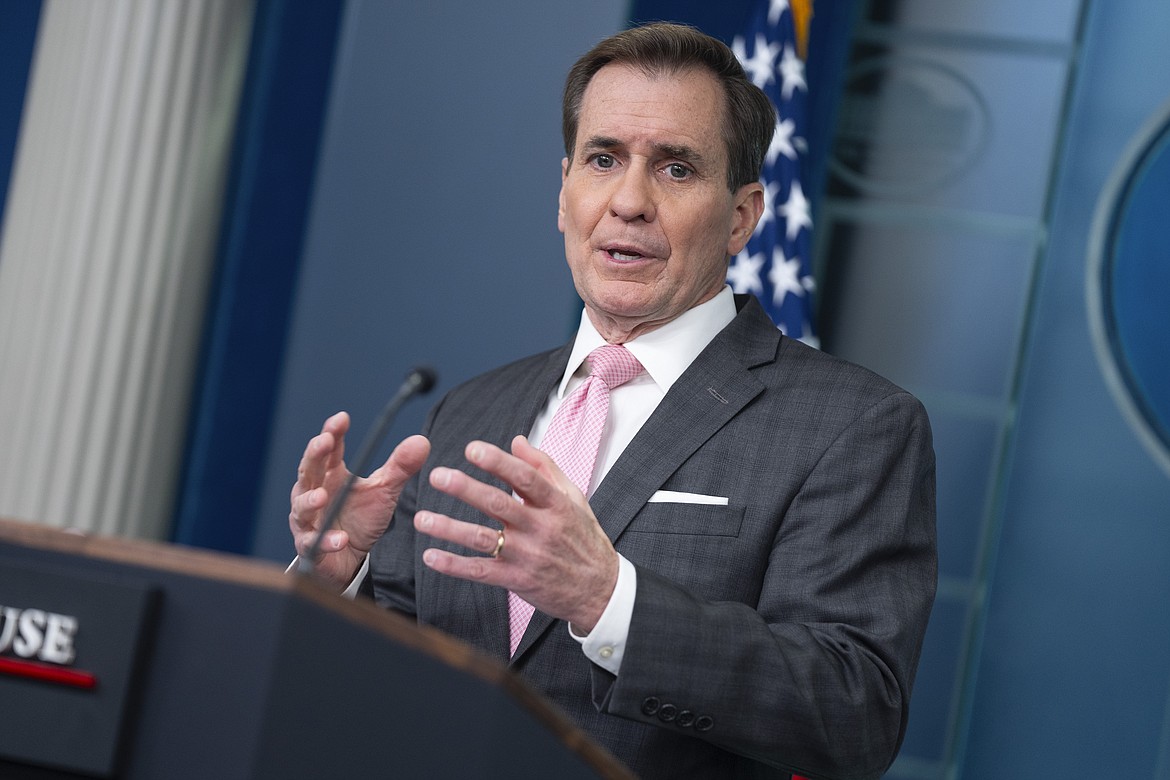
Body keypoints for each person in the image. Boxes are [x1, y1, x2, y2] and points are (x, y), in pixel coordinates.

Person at [289, 22, 936, 780]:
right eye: (604, 160)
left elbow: (854, 712)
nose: (628, 201)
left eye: (676, 170)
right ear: (565, 193)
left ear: (741, 217)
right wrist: (344, 583)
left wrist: (609, 599)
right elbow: (406, 663)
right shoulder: (470, 412)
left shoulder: (853, 427)